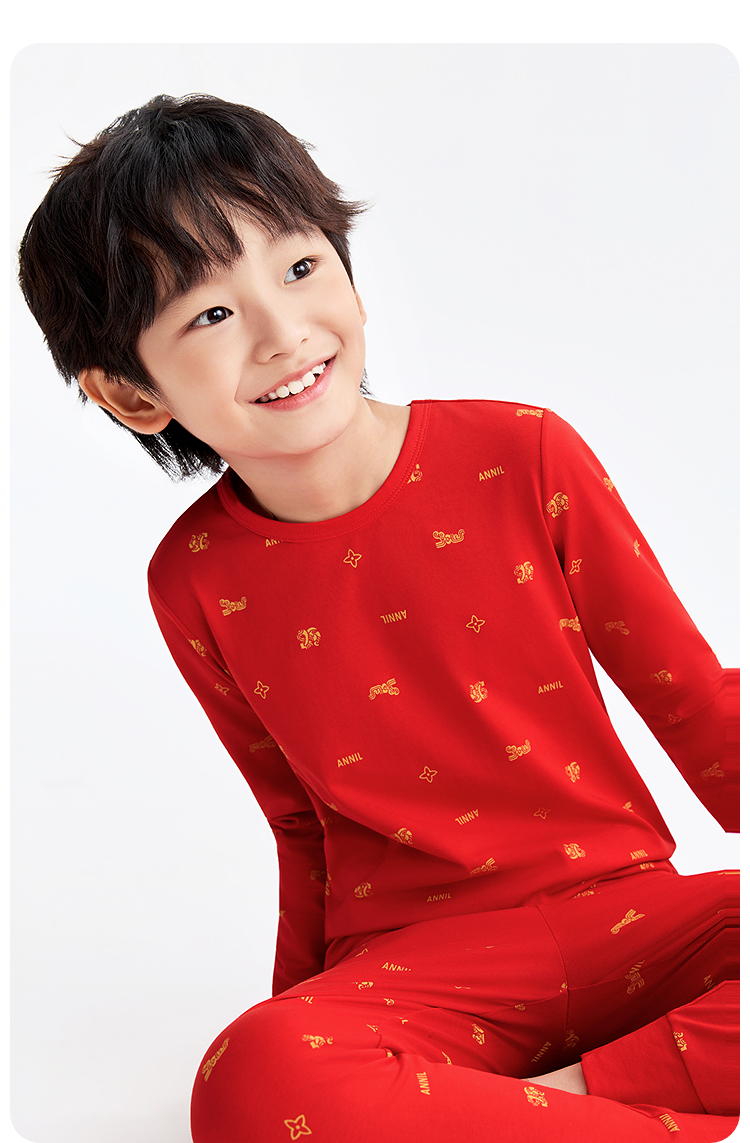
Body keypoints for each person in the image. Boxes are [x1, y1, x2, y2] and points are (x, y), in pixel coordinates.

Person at [18, 93, 738, 1142]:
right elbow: (300, 828)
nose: (284, 333)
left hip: (635, 925)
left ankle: (561, 1105)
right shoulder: (193, 579)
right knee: (251, 1077)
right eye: (211, 315)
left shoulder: (525, 452)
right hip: (426, 972)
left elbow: (699, 706)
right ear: (134, 394)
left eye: (300, 267)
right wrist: (299, 1028)